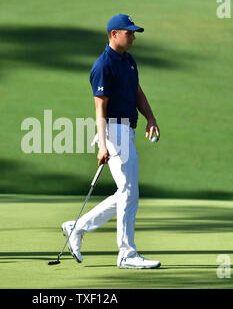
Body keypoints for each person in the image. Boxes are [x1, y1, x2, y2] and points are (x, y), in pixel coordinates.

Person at [62, 14, 161, 269]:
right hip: (114, 131)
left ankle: (77, 227)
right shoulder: (103, 65)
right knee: (129, 193)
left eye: (134, 32)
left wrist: (150, 117)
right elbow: (99, 109)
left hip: (127, 130)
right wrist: (103, 144)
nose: (133, 36)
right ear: (113, 34)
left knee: (127, 193)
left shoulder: (129, 62)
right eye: (128, 32)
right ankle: (126, 254)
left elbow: (136, 91)